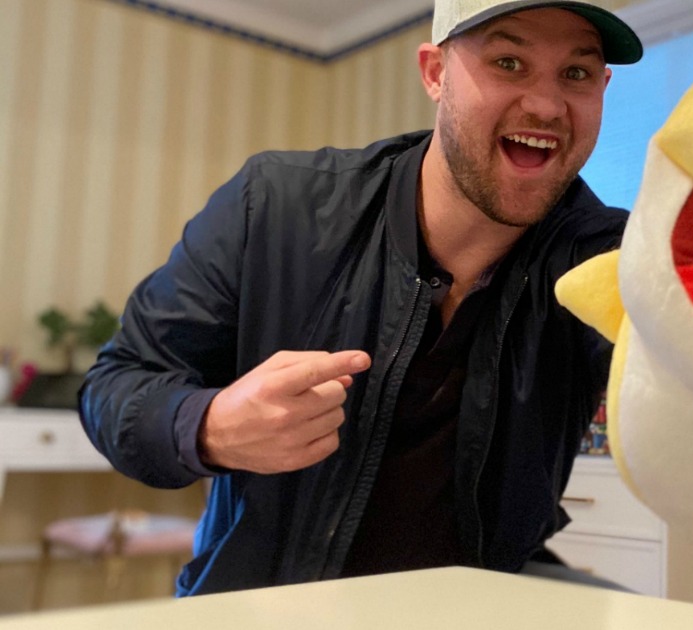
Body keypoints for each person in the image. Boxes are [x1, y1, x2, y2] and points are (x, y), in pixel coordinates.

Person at [79, 0, 643, 596]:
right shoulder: (274, 207)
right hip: (265, 607)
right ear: (435, 73)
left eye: (576, 74)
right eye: (509, 62)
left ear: (602, 87)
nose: (547, 106)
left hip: (481, 605)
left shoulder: (612, 261)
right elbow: (116, 385)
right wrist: (210, 426)